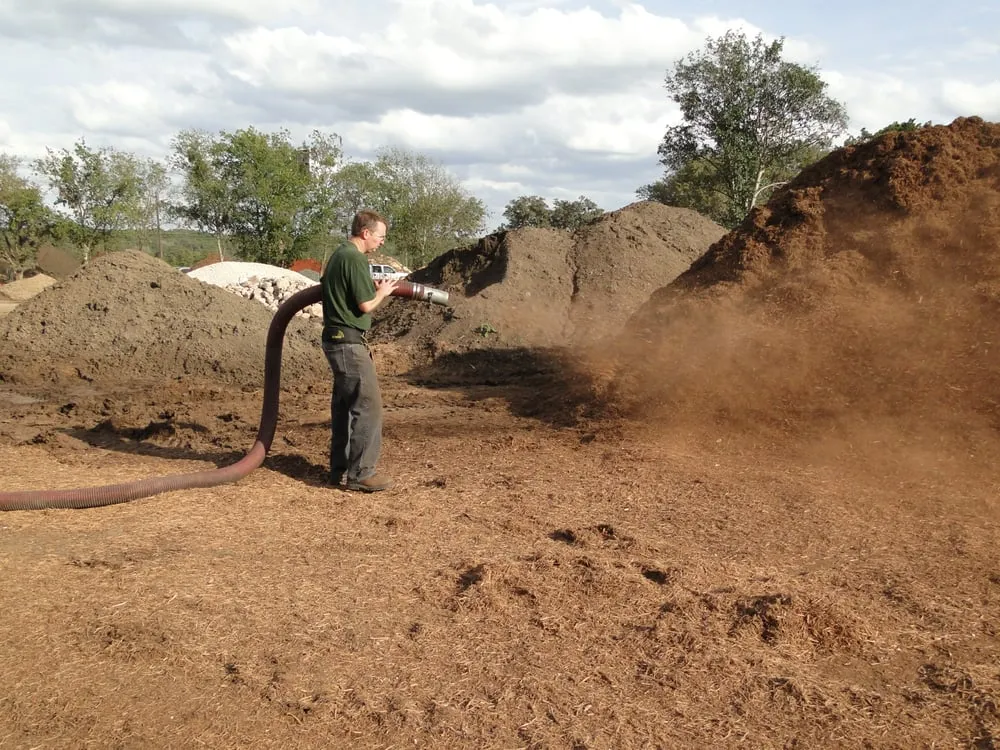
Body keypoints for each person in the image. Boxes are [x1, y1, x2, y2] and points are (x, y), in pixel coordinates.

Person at [320, 210, 399, 492]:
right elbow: (365, 305)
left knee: (344, 407)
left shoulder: (339, 254)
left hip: (336, 339)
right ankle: (362, 474)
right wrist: (383, 292)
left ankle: (338, 470)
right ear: (365, 233)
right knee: (369, 407)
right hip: (348, 343)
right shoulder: (354, 258)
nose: (381, 242)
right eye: (380, 237)